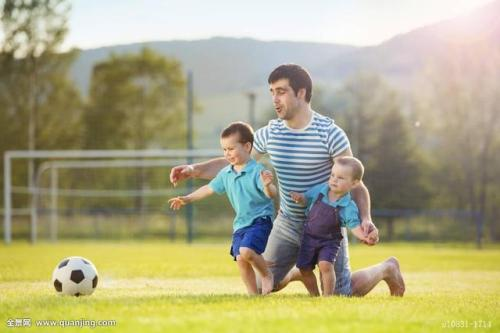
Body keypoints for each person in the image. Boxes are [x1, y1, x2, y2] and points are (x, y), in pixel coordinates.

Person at [170, 64, 405, 297]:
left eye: (281, 91)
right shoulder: (270, 133)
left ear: (301, 93)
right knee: (267, 283)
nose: (274, 99)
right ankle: (299, 273)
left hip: (326, 225)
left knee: (340, 294)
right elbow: (234, 163)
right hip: (288, 222)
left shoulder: (330, 133)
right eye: (271, 92)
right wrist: (193, 170)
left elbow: (357, 184)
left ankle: (387, 268)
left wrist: (365, 218)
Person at [168, 122, 277, 295]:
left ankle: (266, 275)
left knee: (247, 251)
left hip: (260, 219)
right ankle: (253, 296)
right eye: (224, 150)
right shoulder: (226, 173)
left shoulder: (257, 170)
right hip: (241, 223)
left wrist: (267, 185)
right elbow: (208, 189)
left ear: (247, 147)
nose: (227, 154)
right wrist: (187, 198)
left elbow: (271, 194)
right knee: (241, 259)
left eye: (231, 149)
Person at [289, 156, 375, 296]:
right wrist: (300, 198)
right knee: (304, 269)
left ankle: (327, 297)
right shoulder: (321, 190)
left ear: (354, 183)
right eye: (332, 175)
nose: (334, 179)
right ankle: (314, 295)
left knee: (325, 265)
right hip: (309, 237)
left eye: (340, 178)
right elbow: (307, 198)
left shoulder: (348, 206)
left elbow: (354, 227)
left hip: (329, 241)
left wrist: (365, 236)